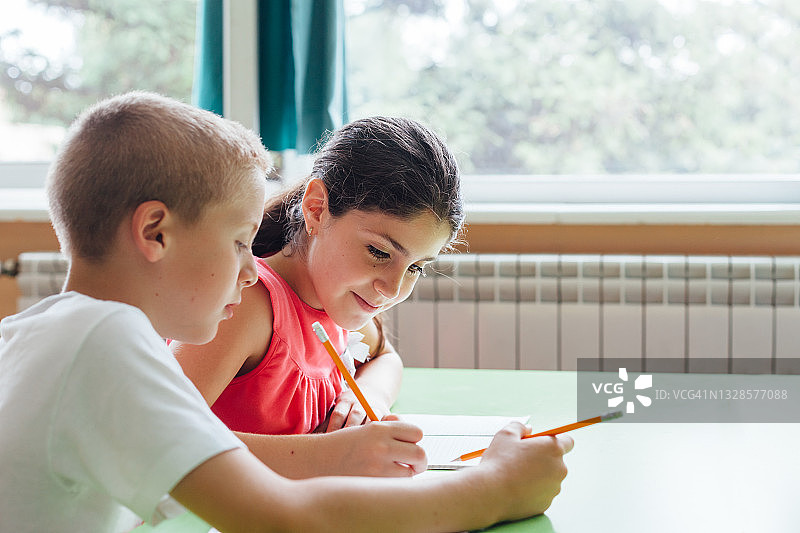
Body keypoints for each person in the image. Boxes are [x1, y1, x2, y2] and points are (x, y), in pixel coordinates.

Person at [0, 92, 572, 533]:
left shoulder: (43, 333)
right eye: (238, 243)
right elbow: (286, 516)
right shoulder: (104, 345)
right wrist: (497, 488)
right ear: (155, 233)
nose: (251, 268)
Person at [171, 116, 465, 478]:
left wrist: (368, 395)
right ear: (316, 209)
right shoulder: (247, 305)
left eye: (416, 267)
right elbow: (163, 438)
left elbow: (386, 358)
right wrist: (333, 455)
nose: (392, 289)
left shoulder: (337, 302)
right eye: (379, 252)